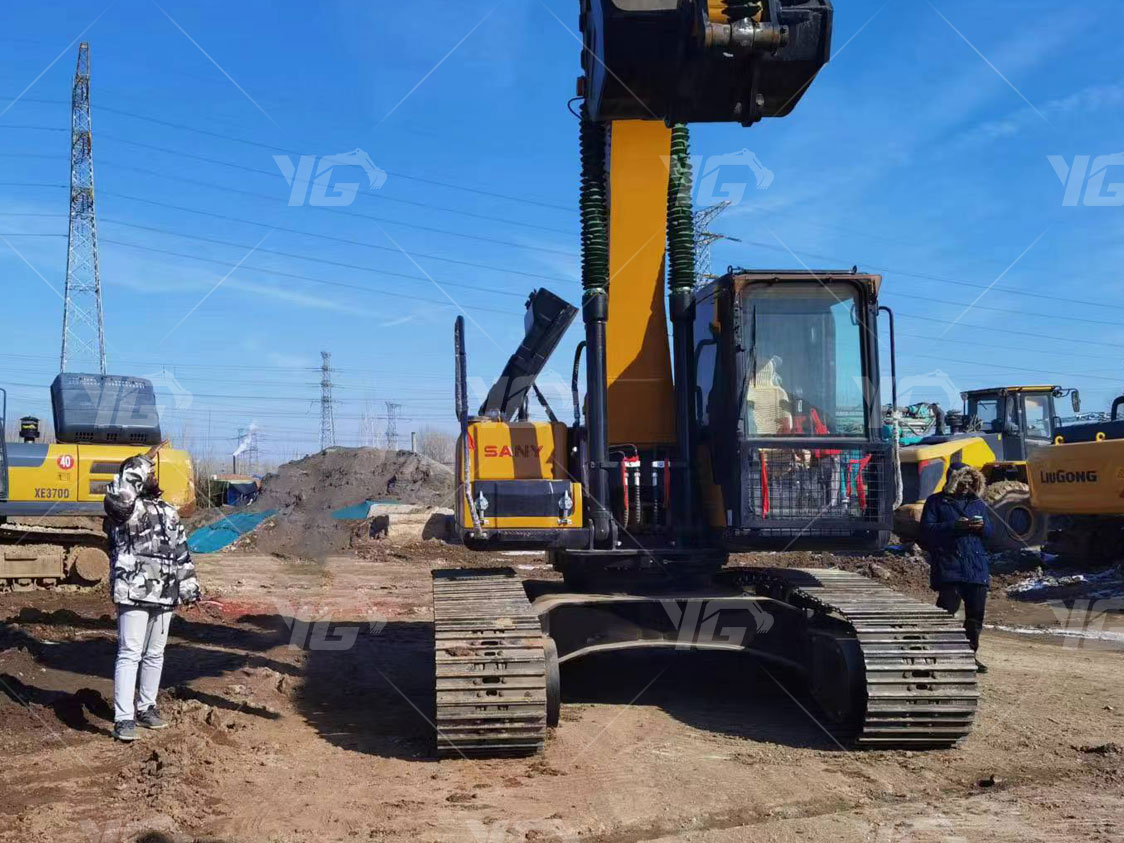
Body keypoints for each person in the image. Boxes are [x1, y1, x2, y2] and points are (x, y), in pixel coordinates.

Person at [104, 452, 201, 741]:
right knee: (129, 653)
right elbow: (120, 496)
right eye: (146, 472)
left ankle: (147, 707)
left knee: (155, 654)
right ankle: (123, 718)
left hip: (165, 593)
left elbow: (181, 553)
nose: (152, 475)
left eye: (151, 472)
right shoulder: (123, 508)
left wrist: (189, 587)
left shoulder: (169, 511)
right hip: (133, 592)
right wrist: (138, 464)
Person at [920, 461, 992, 674]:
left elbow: (991, 535)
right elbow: (926, 532)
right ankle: (938, 652)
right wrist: (954, 526)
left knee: (975, 615)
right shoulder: (936, 502)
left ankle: (970, 655)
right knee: (946, 611)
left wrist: (982, 527)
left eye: (969, 483)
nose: (965, 486)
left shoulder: (977, 503)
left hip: (975, 566)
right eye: (962, 482)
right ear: (952, 480)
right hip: (949, 565)